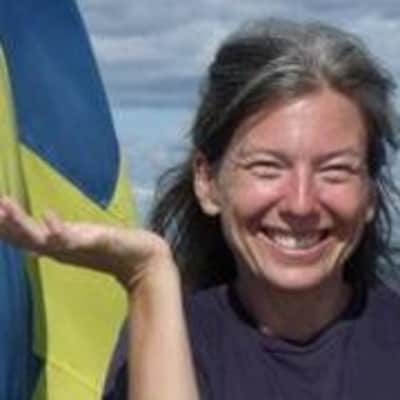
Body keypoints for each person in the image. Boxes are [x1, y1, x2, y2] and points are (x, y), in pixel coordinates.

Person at [0, 17, 399, 400]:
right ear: (208, 183)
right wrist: (147, 274)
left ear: (370, 195)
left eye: (335, 171)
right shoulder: (171, 339)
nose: (300, 203)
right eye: (267, 168)